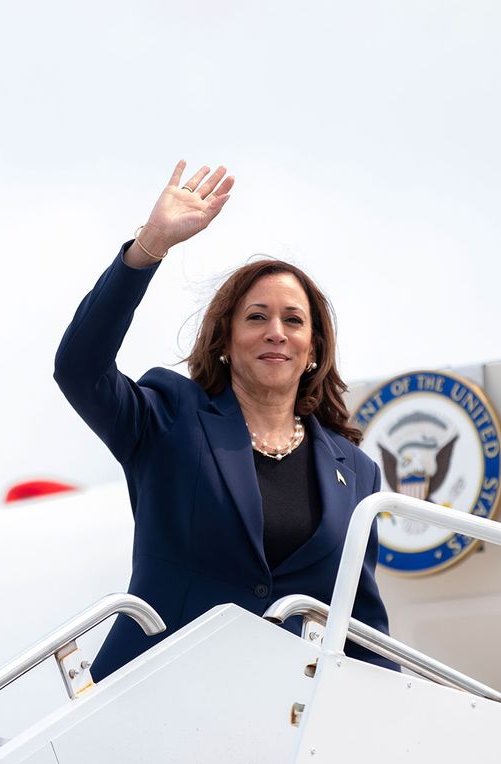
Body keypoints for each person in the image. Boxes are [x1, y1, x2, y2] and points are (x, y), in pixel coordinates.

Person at [54, 160, 396, 681]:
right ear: (226, 343)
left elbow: (360, 626)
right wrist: (149, 246)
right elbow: (79, 369)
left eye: (293, 320)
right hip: (153, 694)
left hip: (280, 718)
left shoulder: (357, 472)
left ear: (313, 349)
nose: (275, 332)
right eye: (256, 317)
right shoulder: (169, 417)